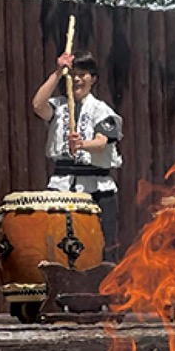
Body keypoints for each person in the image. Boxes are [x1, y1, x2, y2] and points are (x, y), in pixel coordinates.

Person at [31, 50, 123, 257]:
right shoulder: (59, 106)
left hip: (96, 188)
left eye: (83, 74)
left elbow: (101, 143)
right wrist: (57, 72)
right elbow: (37, 105)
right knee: (58, 245)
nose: (78, 79)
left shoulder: (102, 110)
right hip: (62, 185)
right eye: (73, 74)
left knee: (101, 247)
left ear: (93, 79)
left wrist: (83, 144)